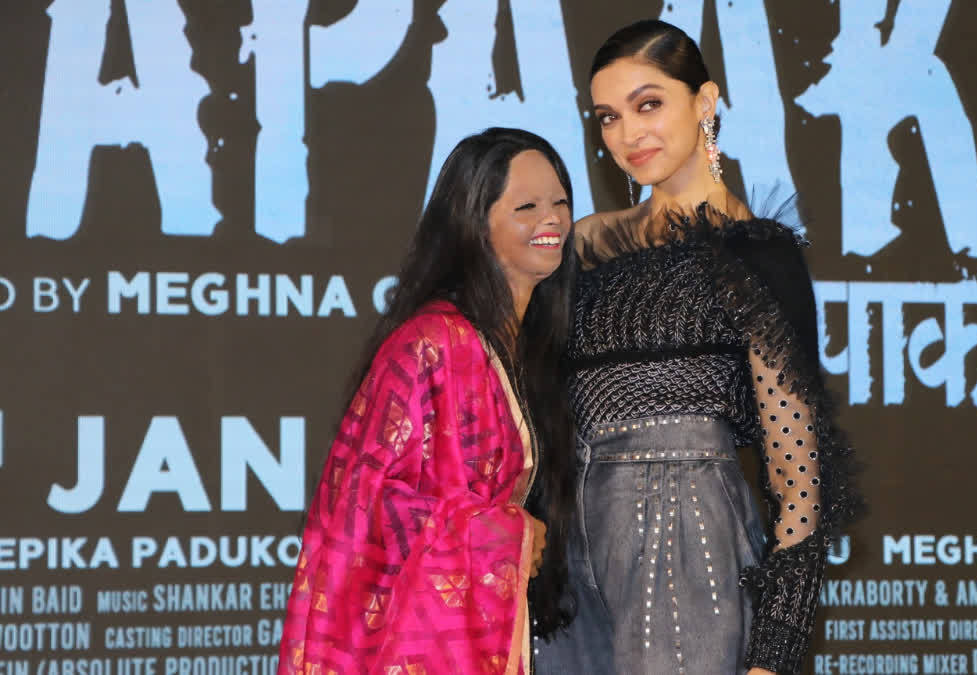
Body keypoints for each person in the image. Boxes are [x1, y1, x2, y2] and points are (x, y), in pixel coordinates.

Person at [533, 20, 862, 675]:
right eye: (608, 116)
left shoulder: (755, 254)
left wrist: (771, 656)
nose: (628, 135)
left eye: (648, 104)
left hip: (685, 536)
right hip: (566, 547)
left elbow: (798, 485)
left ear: (704, 102)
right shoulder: (584, 244)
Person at [278, 128, 578, 675]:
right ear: (474, 223)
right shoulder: (429, 345)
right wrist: (501, 533)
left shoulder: (529, 348)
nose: (552, 219)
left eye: (561, 203)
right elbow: (362, 510)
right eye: (527, 206)